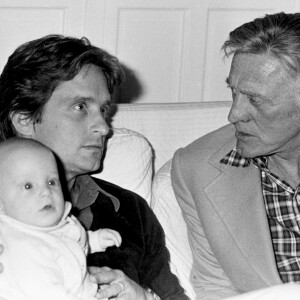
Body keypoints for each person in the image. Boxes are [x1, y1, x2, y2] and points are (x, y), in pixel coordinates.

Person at [0, 35, 188, 300]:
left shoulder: (130, 210)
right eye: (80, 107)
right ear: (25, 120)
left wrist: (144, 297)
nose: (104, 127)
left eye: (103, 110)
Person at [171, 12, 300, 300]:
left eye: (255, 99)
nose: (234, 114)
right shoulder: (195, 168)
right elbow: (216, 287)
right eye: (234, 92)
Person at [0, 137, 122, 300]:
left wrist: (94, 240)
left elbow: (70, 242)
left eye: (51, 182)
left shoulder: (57, 226)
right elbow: (45, 293)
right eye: (28, 186)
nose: (46, 191)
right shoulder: (20, 246)